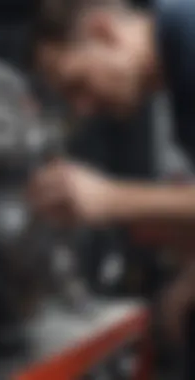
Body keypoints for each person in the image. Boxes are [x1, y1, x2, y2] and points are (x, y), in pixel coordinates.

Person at [27, 0, 195, 356]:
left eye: (78, 84)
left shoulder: (188, 32)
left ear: (103, 31)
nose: (83, 108)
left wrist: (110, 199)